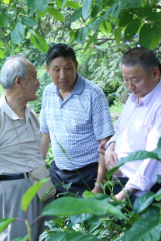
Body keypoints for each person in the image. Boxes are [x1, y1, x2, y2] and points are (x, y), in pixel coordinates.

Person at [0, 55, 54, 241]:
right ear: (19, 81)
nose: (38, 82)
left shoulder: (31, 113)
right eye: (34, 76)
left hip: (42, 184)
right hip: (13, 191)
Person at [94, 47, 161, 203]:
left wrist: (122, 195)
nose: (130, 86)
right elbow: (121, 130)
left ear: (155, 74)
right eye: (125, 79)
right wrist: (110, 147)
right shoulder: (134, 98)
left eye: (136, 80)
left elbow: (155, 160)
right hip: (121, 183)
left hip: (143, 193)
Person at [40, 44, 115, 197]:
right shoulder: (48, 92)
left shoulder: (94, 95)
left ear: (76, 66)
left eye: (68, 68)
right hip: (58, 176)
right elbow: (45, 135)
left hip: (89, 176)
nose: (62, 75)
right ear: (48, 70)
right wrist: (38, 172)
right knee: (56, 220)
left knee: (87, 220)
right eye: (56, 70)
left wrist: (99, 187)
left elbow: (105, 143)